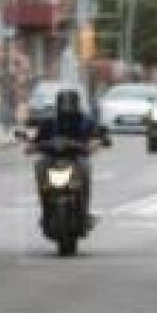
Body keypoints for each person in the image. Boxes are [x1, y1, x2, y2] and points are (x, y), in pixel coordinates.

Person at [28, 88, 102, 223]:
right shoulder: (49, 122)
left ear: (77, 104)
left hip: (76, 158)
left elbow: (95, 137)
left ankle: (84, 211)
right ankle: (46, 208)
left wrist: (93, 144)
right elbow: (36, 141)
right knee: (39, 165)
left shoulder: (86, 121)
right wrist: (32, 147)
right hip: (52, 159)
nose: (67, 108)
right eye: (63, 104)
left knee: (85, 167)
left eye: (70, 104)